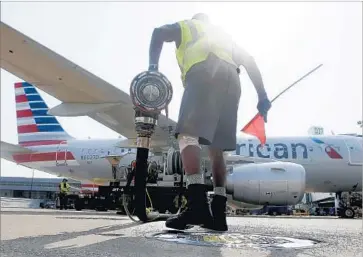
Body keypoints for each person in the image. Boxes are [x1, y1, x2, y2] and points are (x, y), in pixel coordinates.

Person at [148, 13, 271, 231]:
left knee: (187, 135)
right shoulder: (224, 36)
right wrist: (262, 96)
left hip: (203, 75)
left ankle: (197, 204)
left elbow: (158, 33)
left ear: (197, 19)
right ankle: (218, 214)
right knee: (217, 149)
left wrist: (153, 68)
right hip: (232, 83)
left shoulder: (189, 26)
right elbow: (250, 61)